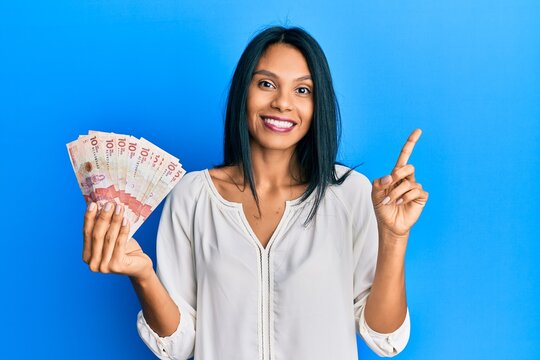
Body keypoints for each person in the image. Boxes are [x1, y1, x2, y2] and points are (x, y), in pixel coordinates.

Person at [82, 26, 429, 359]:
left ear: (318, 105)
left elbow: (385, 338)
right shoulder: (192, 196)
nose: (282, 103)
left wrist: (394, 236)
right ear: (243, 92)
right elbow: (178, 344)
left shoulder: (350, 193)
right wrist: (143, 274)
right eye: (266, 84)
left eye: (302, 90)